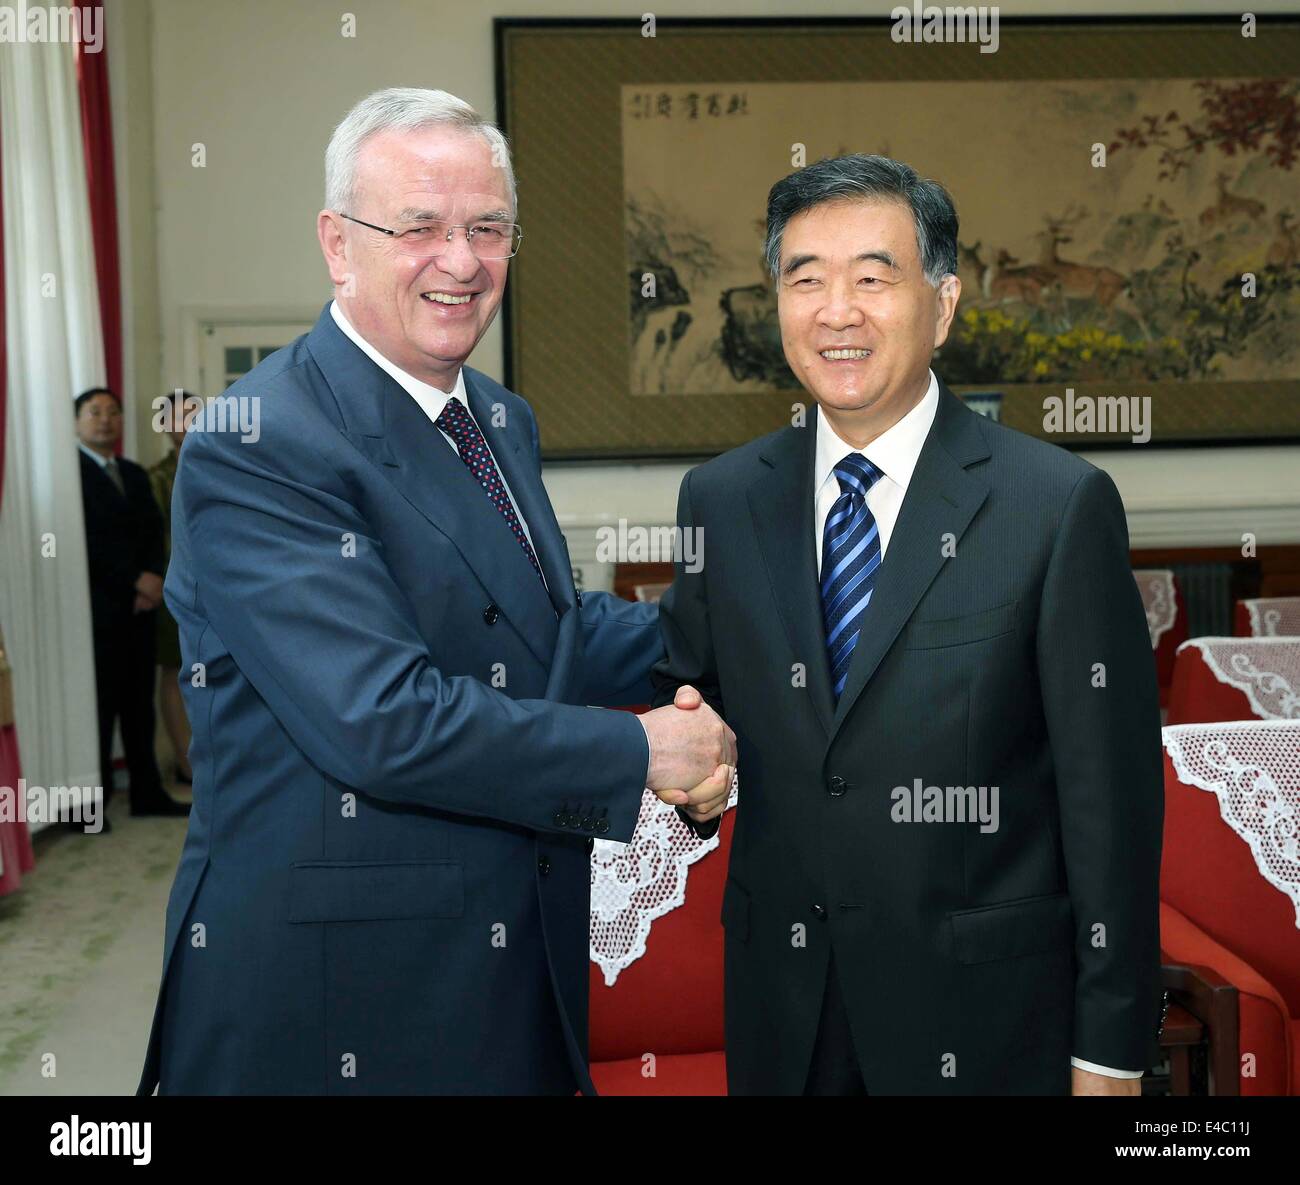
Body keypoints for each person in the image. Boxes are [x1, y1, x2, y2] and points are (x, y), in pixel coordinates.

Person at [138, 87, 733, 1096]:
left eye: (487, 227)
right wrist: (641, 748)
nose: (460, 261)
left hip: (504, 958)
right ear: (338, 243)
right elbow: (380, 719)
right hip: (338, 992)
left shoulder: (497, 417)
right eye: (419, 226)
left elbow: (543, 632)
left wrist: (749, 615)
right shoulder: (261, 437)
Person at [651, 154, 1165, 1095]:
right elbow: (703, 709)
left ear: (945, 302)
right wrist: (698, 782)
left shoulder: (1054, 506)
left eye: (872, 277)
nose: (836, 310)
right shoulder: (719, 500)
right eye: (804, 278)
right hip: (785, 1014)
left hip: (985, 1022)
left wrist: (1110, 1051)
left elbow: (1113, 809)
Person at [75, 387, 189, 828]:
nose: (105, 420)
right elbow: (88, 540)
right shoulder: (72, 474)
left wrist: (153, 578)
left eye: (113, 412)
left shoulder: (132, 473)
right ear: (77, 421)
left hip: (143, 607)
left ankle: (147, 792)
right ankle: (92, 804)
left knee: (137, 704)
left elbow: (153, 531)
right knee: (99, 706)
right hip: (100, 607)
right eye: (94, 412)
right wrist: (132, 579)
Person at [148, 391, 198, 785]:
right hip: (173, 585)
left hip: (225, 585)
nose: (187, 421)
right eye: (177, 416)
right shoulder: (156, 476)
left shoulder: (229, 461)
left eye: (193, 412)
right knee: (174, 670)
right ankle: (187, 765)